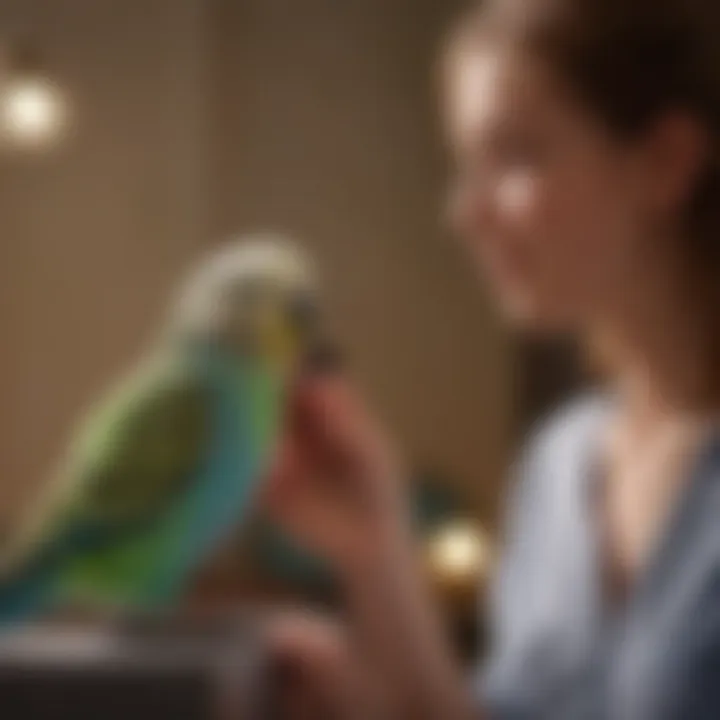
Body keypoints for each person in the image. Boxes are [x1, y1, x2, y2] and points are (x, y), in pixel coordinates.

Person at [264, 0, 720, 717]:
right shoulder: (558, 466)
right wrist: (373, 546)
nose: (463, 212)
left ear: (666, 162)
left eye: (513, 157)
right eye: (464, 165)